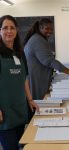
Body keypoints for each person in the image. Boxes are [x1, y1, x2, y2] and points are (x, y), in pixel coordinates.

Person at [0, 15, 39, 150]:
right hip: (4, 113)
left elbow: (24, 79)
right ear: (0, 31)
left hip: (19, 110)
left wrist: (30, 100)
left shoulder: (20, 54)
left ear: (16, 31)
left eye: (12, 28)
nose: (9, 31)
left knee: (20, 146)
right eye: (5, 28)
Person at [24, 18, 69, 100]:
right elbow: (49, 61)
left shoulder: (38, 38)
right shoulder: (37, 40)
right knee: (37, 106)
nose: (49, 31)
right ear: (40, 28)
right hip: (36, 80)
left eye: (51, 29)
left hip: (36, 78)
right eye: (47, 28)